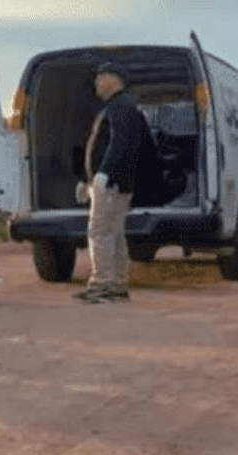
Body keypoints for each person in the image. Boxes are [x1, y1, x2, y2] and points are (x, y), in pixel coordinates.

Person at [72, 61, 158, 304]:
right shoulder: (120, 106)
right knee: (114, 232)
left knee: (99, 231)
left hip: (112, 184)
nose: (96, 83)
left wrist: (105, 174)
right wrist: (86, 179)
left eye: (101, 78)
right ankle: (117, 283)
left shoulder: (121, 106)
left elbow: (120, 143)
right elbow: (102, 145)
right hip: (115, 183)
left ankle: (102, 284)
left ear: (114, 80)